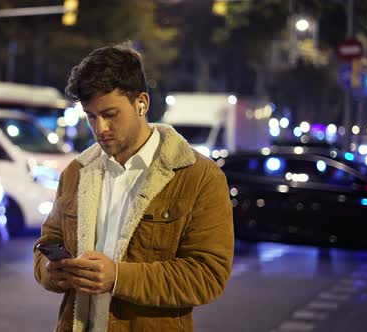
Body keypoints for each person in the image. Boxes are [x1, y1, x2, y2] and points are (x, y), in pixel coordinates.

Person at [33, 42, 234, 332]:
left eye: (110, 114)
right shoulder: (76, 173)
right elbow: (46, 244)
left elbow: (208, 276)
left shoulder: (198, 177)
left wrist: (118, 277)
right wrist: (51, 272)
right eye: (91, 116)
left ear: (142, 103)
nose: (100, 128)